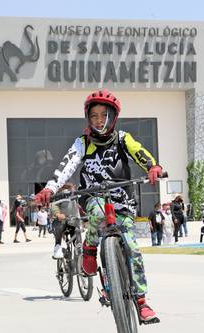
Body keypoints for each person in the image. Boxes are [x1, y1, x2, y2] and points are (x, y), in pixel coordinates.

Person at [34, 89, 162, 323]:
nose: (99, 120)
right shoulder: (82, 142)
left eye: (104, 115)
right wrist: (49, 189)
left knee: (132, 247)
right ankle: (91, 246)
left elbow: (140, 153)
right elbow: (67, 165)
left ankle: (142, 301)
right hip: (93, 195)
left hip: (122, 198)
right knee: (96, 213)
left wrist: (152, 166)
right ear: (88, 119)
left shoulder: (123, 138)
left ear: (113, 116)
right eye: (94, 116)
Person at [50, 183, 78, 259]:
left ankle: (79, 253)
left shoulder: (76, 196)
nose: (71, 189)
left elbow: (80, 207)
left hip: (73, 221)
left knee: (77, 235)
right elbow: (53, 205)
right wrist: (58, 214)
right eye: (67, 188)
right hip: (62, 221)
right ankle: (57, 247)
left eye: (71, 187)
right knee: (58, 228)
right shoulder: (61, 195)